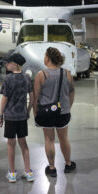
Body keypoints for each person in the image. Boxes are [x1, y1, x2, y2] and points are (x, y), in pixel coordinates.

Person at [33, 47, 76, 177]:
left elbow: (36, 96)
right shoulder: (67, 73)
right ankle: (68, 164)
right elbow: (72, 92)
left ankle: (52, 168)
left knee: (49, 139)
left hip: (46, 113)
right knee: (64, 138)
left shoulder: (41, 74)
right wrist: (67, 107)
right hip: (63, 112)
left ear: (48, 58)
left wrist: (36, 113)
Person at [0, 53, 34, 183]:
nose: (6, 65)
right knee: (23, 143)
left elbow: (4, 99)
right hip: (22, 116)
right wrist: (28, 111)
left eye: (8, 63)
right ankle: (28, 172)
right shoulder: (27, 78)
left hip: (10, 116)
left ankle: (12, 173)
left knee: (11, 144)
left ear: (15, 64)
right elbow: (32, 97)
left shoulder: (8, 79)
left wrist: (0, 115)